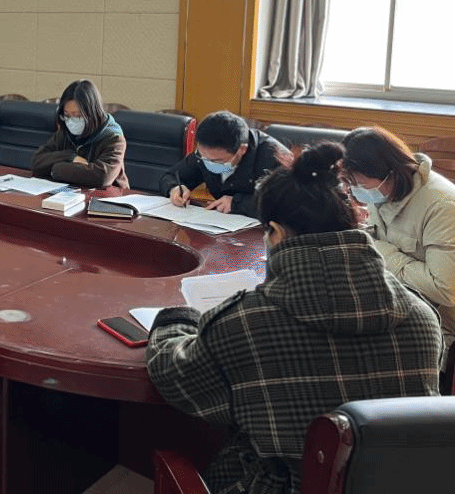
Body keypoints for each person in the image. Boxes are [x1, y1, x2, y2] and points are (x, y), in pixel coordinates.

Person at [146, 143, 442, 494]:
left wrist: (176, 319)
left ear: (276, 231)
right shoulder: (423, 318)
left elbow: (175, 378)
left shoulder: (246, 324)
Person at [342, 126, 455, 350]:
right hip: (399, 298)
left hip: (439, 318)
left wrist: (378, 249)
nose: (356, 192)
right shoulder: (386, 191)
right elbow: (377, 234)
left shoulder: (442, 207)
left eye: (360, 185)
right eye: (350, 185)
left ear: (391, 173)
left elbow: (445, 290)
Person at [159, 110, 287, 216]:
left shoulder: (274, 157)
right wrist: (174, 188)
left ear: (242, 149)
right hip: (221, 226)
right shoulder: (205, 154)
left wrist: (237, 203)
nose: (209, 163)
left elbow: (284, 205)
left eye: (218, 161)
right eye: (203, 157)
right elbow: (170, 176)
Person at [31, 80, 129, 188]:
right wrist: (70, 157)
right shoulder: (65, 131)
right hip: (72, 192)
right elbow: (37, 162)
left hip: (109, 196)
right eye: (67, 115)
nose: (71, 121)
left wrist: (55, 170)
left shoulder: (114, 138)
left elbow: (102, 177)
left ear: (92, 112)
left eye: (77, 116)